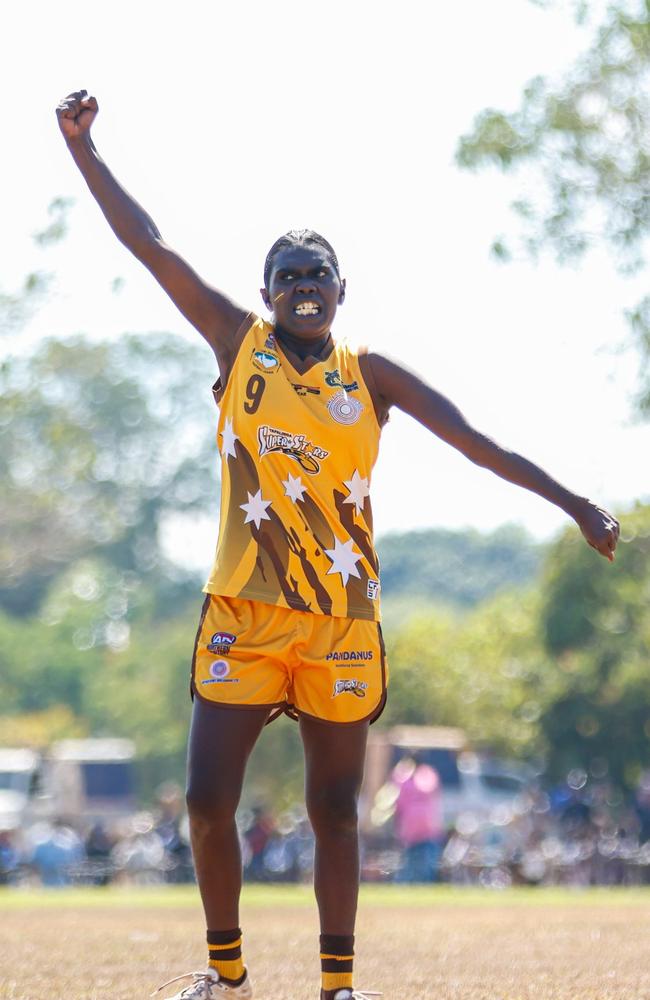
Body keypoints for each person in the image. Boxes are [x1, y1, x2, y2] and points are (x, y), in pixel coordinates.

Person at [56, 89, 620, 1000]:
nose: (305, 288)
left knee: (334, 812)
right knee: (205, 802)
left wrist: (573, 502)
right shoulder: (237, 344)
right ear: (267, 291)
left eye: (319, 276)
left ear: (342, 290)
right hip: (243, 609)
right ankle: (228, 973)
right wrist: (84, 150)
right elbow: (149, 246)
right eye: (289, 277)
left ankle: (337, 987)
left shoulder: (373, 376)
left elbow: (476, 442)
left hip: (339, 625)